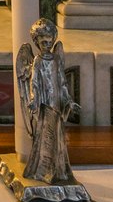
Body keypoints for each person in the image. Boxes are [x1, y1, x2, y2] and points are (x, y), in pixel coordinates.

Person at [15, 18, 76, 185]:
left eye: (49, 42)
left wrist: (68, 100)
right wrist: (33, 100)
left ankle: (58, 169)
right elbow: (34, 82)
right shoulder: (38, 61)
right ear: (37, 42)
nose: (47, 46)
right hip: (44, 104)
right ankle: (43, 170)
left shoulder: (56, 59)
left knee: (57, 133)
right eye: (43, 42)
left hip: (56, 102)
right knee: (45, 134)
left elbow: (62, 82)